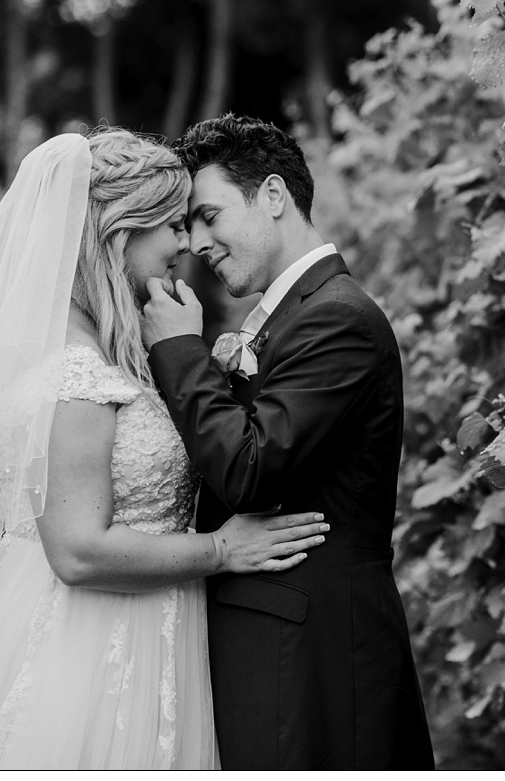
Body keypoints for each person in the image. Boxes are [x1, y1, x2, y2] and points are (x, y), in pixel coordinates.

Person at [0, 130, 329, 770]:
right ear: (119, 231)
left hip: (151, 622)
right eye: (174, 225)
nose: (187, 244)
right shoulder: (78, 373)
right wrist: (220, 549)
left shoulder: (103, 349)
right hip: (89, 643)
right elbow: (75, 551)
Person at [141, 114, 435, 769]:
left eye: (208, 215)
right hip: (274, 647)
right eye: (189, 225)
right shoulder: (294, 316)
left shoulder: (338, 318)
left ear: (273, 196)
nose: (195, 241)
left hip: (307, 659)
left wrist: (179, 349)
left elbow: (248, 469)